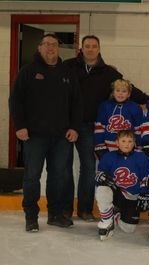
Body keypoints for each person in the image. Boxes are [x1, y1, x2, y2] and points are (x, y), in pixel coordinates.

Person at [64, 35, 149, 221]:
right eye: (87, 46)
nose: (90, 49)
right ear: (81, 48)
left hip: (89, 126)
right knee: (63, 167)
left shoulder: (108, 72)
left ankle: (85, 209)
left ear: (99, 48)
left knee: (88, 168)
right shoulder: (69, 66)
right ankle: (64, 208)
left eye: (94, 46)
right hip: (67, 124)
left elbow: (128, 88)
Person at [9, 33, 83, 232]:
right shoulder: (28, 71)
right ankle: (31, 216)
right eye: (47, 44)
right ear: (39, 47)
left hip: (61, 137)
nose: (51, 48)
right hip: (34, 136)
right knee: (32, 176)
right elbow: (15, 100)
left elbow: (77, 104)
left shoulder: (67, 72)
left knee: (58, 176)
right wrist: (20, 126)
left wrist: (74, 127)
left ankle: (55, 214)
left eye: (54, 45)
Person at [94, 130, 149, 240]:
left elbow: (146, 179)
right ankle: (106, 221)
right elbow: (99, 176)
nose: (126, 144)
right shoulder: (108, 157)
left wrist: (145, 194)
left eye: (130, 141)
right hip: (116, 193)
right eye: (123, 141)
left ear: (134, 143)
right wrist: (100, 177)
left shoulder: (142, 158)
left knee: (129, 229)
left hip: (132, 197)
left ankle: (116, 215)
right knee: (102, 189)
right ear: (117, 143)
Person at [94, 79, 144, 156]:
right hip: (108, 147)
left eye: (124, 91)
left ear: (129, 94)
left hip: (128, 148)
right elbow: (99, 128)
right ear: (113, 92)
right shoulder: (104, 106)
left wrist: (139, 147)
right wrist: (99, 145)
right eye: (117, 90)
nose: (120, 94)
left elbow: (139, 129)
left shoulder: (135, 107)